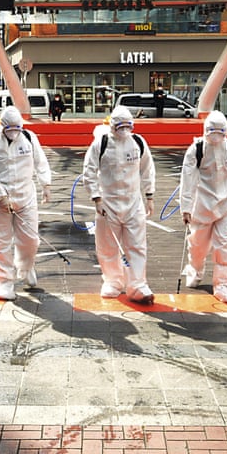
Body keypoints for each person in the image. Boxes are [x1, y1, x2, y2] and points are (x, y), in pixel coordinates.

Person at [82, 105, 156, 304]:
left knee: (137, 246)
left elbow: (148, 169)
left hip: (133, 203)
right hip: (108, 204)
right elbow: (89, 172)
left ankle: (138, 285)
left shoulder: (138, 143)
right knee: (108, 246)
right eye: (120, 126)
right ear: (112, 126)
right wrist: (96, 198)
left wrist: (149, 195)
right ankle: (113, 281)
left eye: (128, 126)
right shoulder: (101, 144)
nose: (124, 130)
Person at [0, 106, 52, 300]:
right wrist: (1, 197)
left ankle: (26, 267)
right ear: (2, 127)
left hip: (26, 197)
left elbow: (40, 161)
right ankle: (4, 282)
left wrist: (46, 184)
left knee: (30, 239)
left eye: (17, 128)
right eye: (10, 129)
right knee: (0, 242)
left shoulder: (29, 138)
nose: (14, 133)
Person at [179, 111, 227, 302]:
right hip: (201, 205)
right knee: (198, 246)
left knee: (225, 246)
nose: (216, 137)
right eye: (212, 132)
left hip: (225, 206)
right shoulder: (196, 149)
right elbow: (187, 179)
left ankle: (223, 283)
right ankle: (195, 268)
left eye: (221, 132)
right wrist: (186, 207)